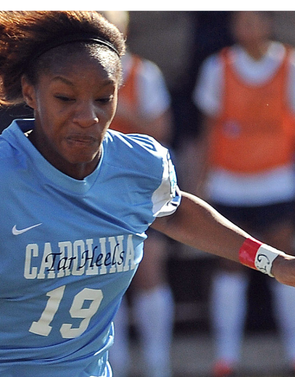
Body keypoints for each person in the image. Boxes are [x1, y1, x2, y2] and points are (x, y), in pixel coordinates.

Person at [0, 11, 295, 377]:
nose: (87, 116)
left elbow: (174, 211)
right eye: (65, 98)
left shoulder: (141, 164)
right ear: (31, 93)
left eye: (103, 98)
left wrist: (275, 262)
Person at [192, 11, 295, 377]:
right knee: (229, 264)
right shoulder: (218, 67)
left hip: (277, 182)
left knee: (287, 265)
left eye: (253, 20)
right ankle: (226, 359)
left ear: (268, 23)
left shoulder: (293, 64)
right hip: (229, 183)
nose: (245, 28)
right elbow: (208, 130)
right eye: (240, 21)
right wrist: (198, 184)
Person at [100, 10, 175, 377]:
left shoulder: (144, 73)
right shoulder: (72, 70)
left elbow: (161, 129)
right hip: (93, 192)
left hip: (137, 192)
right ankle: (115, 367)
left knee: (149, 273)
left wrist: (122, 108)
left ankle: (158, 366)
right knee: (103, 279)